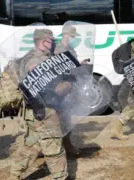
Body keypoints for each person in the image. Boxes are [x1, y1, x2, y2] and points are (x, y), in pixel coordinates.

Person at [8, 29, 69, 180]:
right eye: (51, 41)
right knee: (54, 147)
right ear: (43, 41)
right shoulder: (35, 60)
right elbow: (46, 86)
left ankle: (14, 174)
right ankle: (60, 177)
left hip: (33, 111)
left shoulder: (32, 57)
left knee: (32, 145)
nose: (53, 44)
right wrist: (66, 86)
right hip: (44, 111)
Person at [54, 25, 81, 156]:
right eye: (71, 36)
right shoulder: (58, 49)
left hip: (69, 85)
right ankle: (59, 147)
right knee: (59, 117)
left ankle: (67, 143)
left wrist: (79, 63)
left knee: (67, 116)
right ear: (65, 35)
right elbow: (58, 68)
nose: (72, 39)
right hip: (60, 86)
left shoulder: (70, 48)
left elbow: (72, 64)